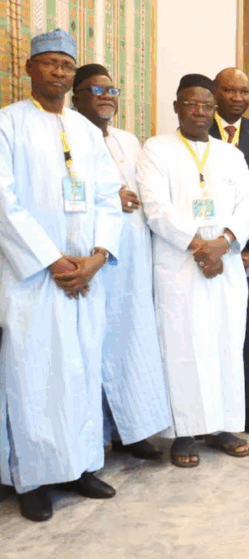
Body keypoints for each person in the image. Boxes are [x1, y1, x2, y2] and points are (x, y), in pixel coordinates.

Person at [0, 29, 123, 521]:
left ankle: (80, 465)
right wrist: (52, 260)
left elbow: (108, 198)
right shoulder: (8, 123)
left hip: (85, 277)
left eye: (67, 65)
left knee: (82, 370)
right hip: (33, 278)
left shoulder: (87, 131)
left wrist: (97, 257)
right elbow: (4, 204)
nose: (58, 72)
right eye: (49, 62)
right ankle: (33, 478)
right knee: (34, 374)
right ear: (30, 68)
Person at [136, 74, 249, 468]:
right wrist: (199, 246)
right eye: (191, 104)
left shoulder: (229, 154)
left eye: (207, 105)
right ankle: (184, 432)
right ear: (177, 107)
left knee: (225, 343)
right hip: (179, 266)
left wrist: (224, 242)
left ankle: (221, 426)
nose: (200, 112)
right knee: (182, 346)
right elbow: (155, 207)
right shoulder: (157, 149)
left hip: (225, 265)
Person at [71, 64, 170, 461]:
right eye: (97, 89)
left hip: (132, 260)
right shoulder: (69, 137)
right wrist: (111, 200)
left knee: (130, 345)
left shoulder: (129, 141)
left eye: (112, 90)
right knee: (93, 350)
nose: (107, 96)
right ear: (76, 97)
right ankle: (96, 438)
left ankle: (132, 430)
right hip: (92, 259)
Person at [210, 67, 249, 435]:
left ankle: (244, 405)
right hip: (204, 251)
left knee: (247, 329)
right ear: (214, 93)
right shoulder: (196, 129)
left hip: (247, 253)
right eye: (229, 91)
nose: (237, 98)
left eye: (243, 92)